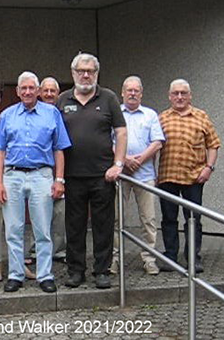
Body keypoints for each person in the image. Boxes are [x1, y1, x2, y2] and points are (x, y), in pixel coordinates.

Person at [0, 71, 71, 293]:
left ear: (38, 91)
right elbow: (0, 151)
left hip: (41, 175)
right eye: (23, 88)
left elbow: (59, 149)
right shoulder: (7, 115)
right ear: (17, 91)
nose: (27, 92)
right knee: (13, 229)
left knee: (42, 229)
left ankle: (45, 275)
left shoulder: (52, 113)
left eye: (31, 88)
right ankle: (16, 275)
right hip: (13, 175)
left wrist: (59, 179)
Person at [57, 53, 127, 290]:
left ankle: (102, 271)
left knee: (103, 226)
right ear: (73, 73)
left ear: (96, 73)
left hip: (103, 175)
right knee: (74, 226)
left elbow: (121, 132)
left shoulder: (108, 98)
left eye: (90, 71)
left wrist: (118, 164)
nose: (85, 75)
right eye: (81, 71)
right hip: (72, 175)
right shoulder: (62, 100)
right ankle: (76, 271)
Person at [158, 79, 221, 273]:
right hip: (167, 176)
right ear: (169, 96)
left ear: (190, 96)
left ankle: (193, 258)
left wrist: (209, 168)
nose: (179, 97)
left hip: (194, 177)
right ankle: (170, 257)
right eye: (175, 93)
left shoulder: (201, 116)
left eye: (183, 93)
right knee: (169, 219)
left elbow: (213, 144)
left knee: (193, 219)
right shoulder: (161, 118)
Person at [110, 76, 165, 276]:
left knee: (148, 219)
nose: (132, 94)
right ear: (122, 92)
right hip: (121, 174)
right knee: (116, 219)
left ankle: (149, 259)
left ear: (141, 94)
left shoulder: (150, 115)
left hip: (145, 174)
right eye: (129, 90)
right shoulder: (114, 113)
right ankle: (115, 259)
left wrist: (139, 160)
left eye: (136, 91)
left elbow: (157, 142)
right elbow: (109, 142)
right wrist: (124, 159)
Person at [27, 77, 67, 263]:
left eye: (53, 91)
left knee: (60, 213)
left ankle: (58, 251)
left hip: (61, 170)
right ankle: (36, 251)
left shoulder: (63, 114)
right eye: (46, 91)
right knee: (38, 212)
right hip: (38, 171)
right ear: (39, 93)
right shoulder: (32, 114)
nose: (49, 94)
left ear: (58, 94)